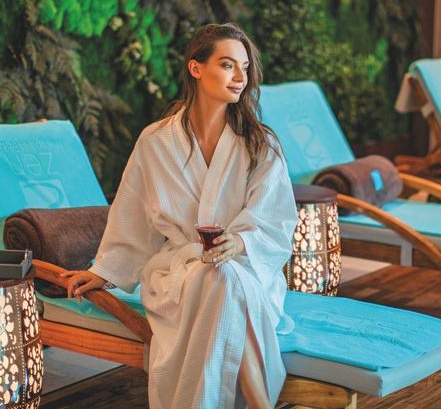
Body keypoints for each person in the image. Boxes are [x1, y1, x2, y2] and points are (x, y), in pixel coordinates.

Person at [63, 23, 297, 409]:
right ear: (196, 68)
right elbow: (133, 216)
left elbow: (276, 220)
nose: (240, 77)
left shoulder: (260, 143)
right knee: (214, 275)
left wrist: (238, 241)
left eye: (244, 67)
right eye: (226, 65)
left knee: (224, 274)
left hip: (248, 269)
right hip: (177, 273)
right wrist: (104, 271)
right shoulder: (155, 142)